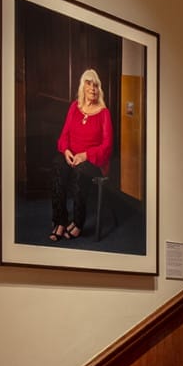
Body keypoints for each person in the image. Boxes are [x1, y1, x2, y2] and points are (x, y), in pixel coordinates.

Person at [50, 69, 113, 240]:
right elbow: (64, 135)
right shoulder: (74, 107)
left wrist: (86, 155)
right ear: (82, 87)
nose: (93, 88)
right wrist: (66, 151)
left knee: (80, 172)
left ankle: (78, 222)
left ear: (99, 89)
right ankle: (60, 220)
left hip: (93, 160)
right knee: (58, 166)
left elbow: (107, 146)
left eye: (96, 85)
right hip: (73, 155)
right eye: (89, 84)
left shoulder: (103, 113)